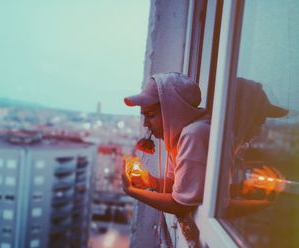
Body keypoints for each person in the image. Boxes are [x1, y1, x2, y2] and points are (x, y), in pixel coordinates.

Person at [121, 72, 210, 217]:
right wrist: (150, 181)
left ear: (174, 111)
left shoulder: (194, 134)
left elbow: (180, 205)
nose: (145, 124)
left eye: (150, 115)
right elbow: (171, 188)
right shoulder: (177, 137)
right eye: (144, 116)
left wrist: (131, 190)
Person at [221, 77, 288, 217]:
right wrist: (268, 201)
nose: (258, 132)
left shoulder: (222, 147)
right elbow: (217, 209)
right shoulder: (218, 151)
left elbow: (205, 195)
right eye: (257, 121)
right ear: (241, 116)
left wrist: (240, 189)